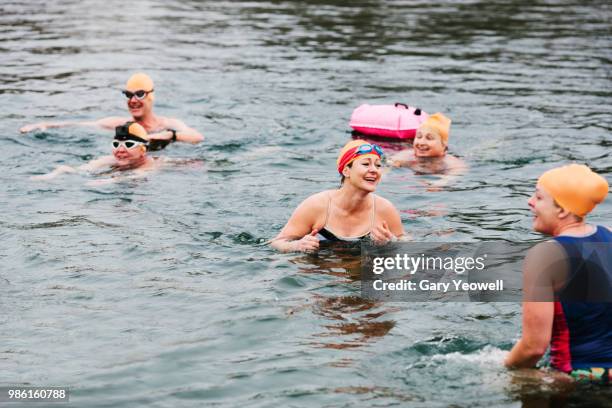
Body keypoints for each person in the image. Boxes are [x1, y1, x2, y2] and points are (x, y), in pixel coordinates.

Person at [504, 164, 611, 383]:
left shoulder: (545, 256)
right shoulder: (608, 235)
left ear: (562, 210)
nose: (530, 202)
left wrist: (502, 369)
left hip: (578, 379)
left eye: (539, 197)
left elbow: (533, 348)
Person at [271, 140, 405, 252]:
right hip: (321, 275)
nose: (374, 170)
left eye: (378, 165)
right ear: (346, 171)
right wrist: (296, 245)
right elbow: (277, 243)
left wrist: (390, 243)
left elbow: (406, 244)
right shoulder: (316, 206)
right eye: (365, 164)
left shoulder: (385, 210)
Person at [20, 73, 203, 150]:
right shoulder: (119, 124)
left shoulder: (168, 124)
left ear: (150, 96)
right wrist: (41, 125)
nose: (133, 101)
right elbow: (79, 124)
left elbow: (197, 137)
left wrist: (169, 136)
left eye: (139, 94)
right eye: (128, 95)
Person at [31, 122, 162, 182]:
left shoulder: (150, 165)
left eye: (128, 145)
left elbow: (136, 175)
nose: (120, 150)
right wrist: (58, 172)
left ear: (143, 150)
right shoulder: (111, 159)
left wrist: (109, 181)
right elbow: (82, 170)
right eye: (116, 144)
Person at [389, 113, 466, 176]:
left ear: (443, 145)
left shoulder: (450, 161)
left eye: (429, 138)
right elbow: (389, 165)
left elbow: (457, 173)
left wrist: (439, 183)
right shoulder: (406, 155)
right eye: (419, 137)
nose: (421, 142)